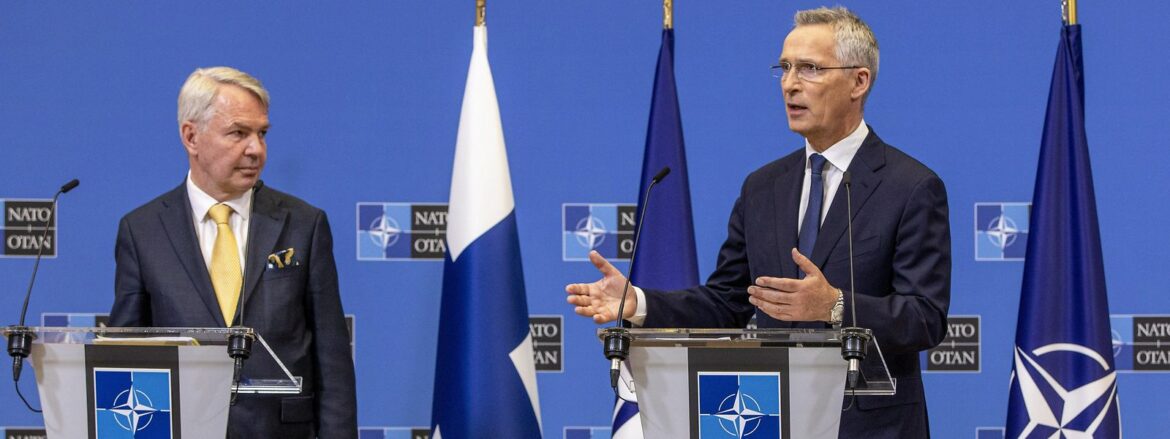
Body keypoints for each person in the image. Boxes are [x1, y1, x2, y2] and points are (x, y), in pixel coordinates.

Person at [566, 7, 950, 438]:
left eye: (810, 68)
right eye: (785, 68)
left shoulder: (911, 187)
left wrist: (836, 305)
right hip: (770, 419)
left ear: (858, 82)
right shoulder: (763, 187)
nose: (790, 83)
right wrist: (638, 302)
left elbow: (925, 317)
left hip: (871, 426)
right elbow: (726, 303)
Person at [110, 66, 357, 438]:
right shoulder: (142, 231)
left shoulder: (305, 224)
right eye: (239, 133)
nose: (256, 149)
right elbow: (125, 360)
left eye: (262, 133)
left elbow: (333, 362)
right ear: (191, 137)